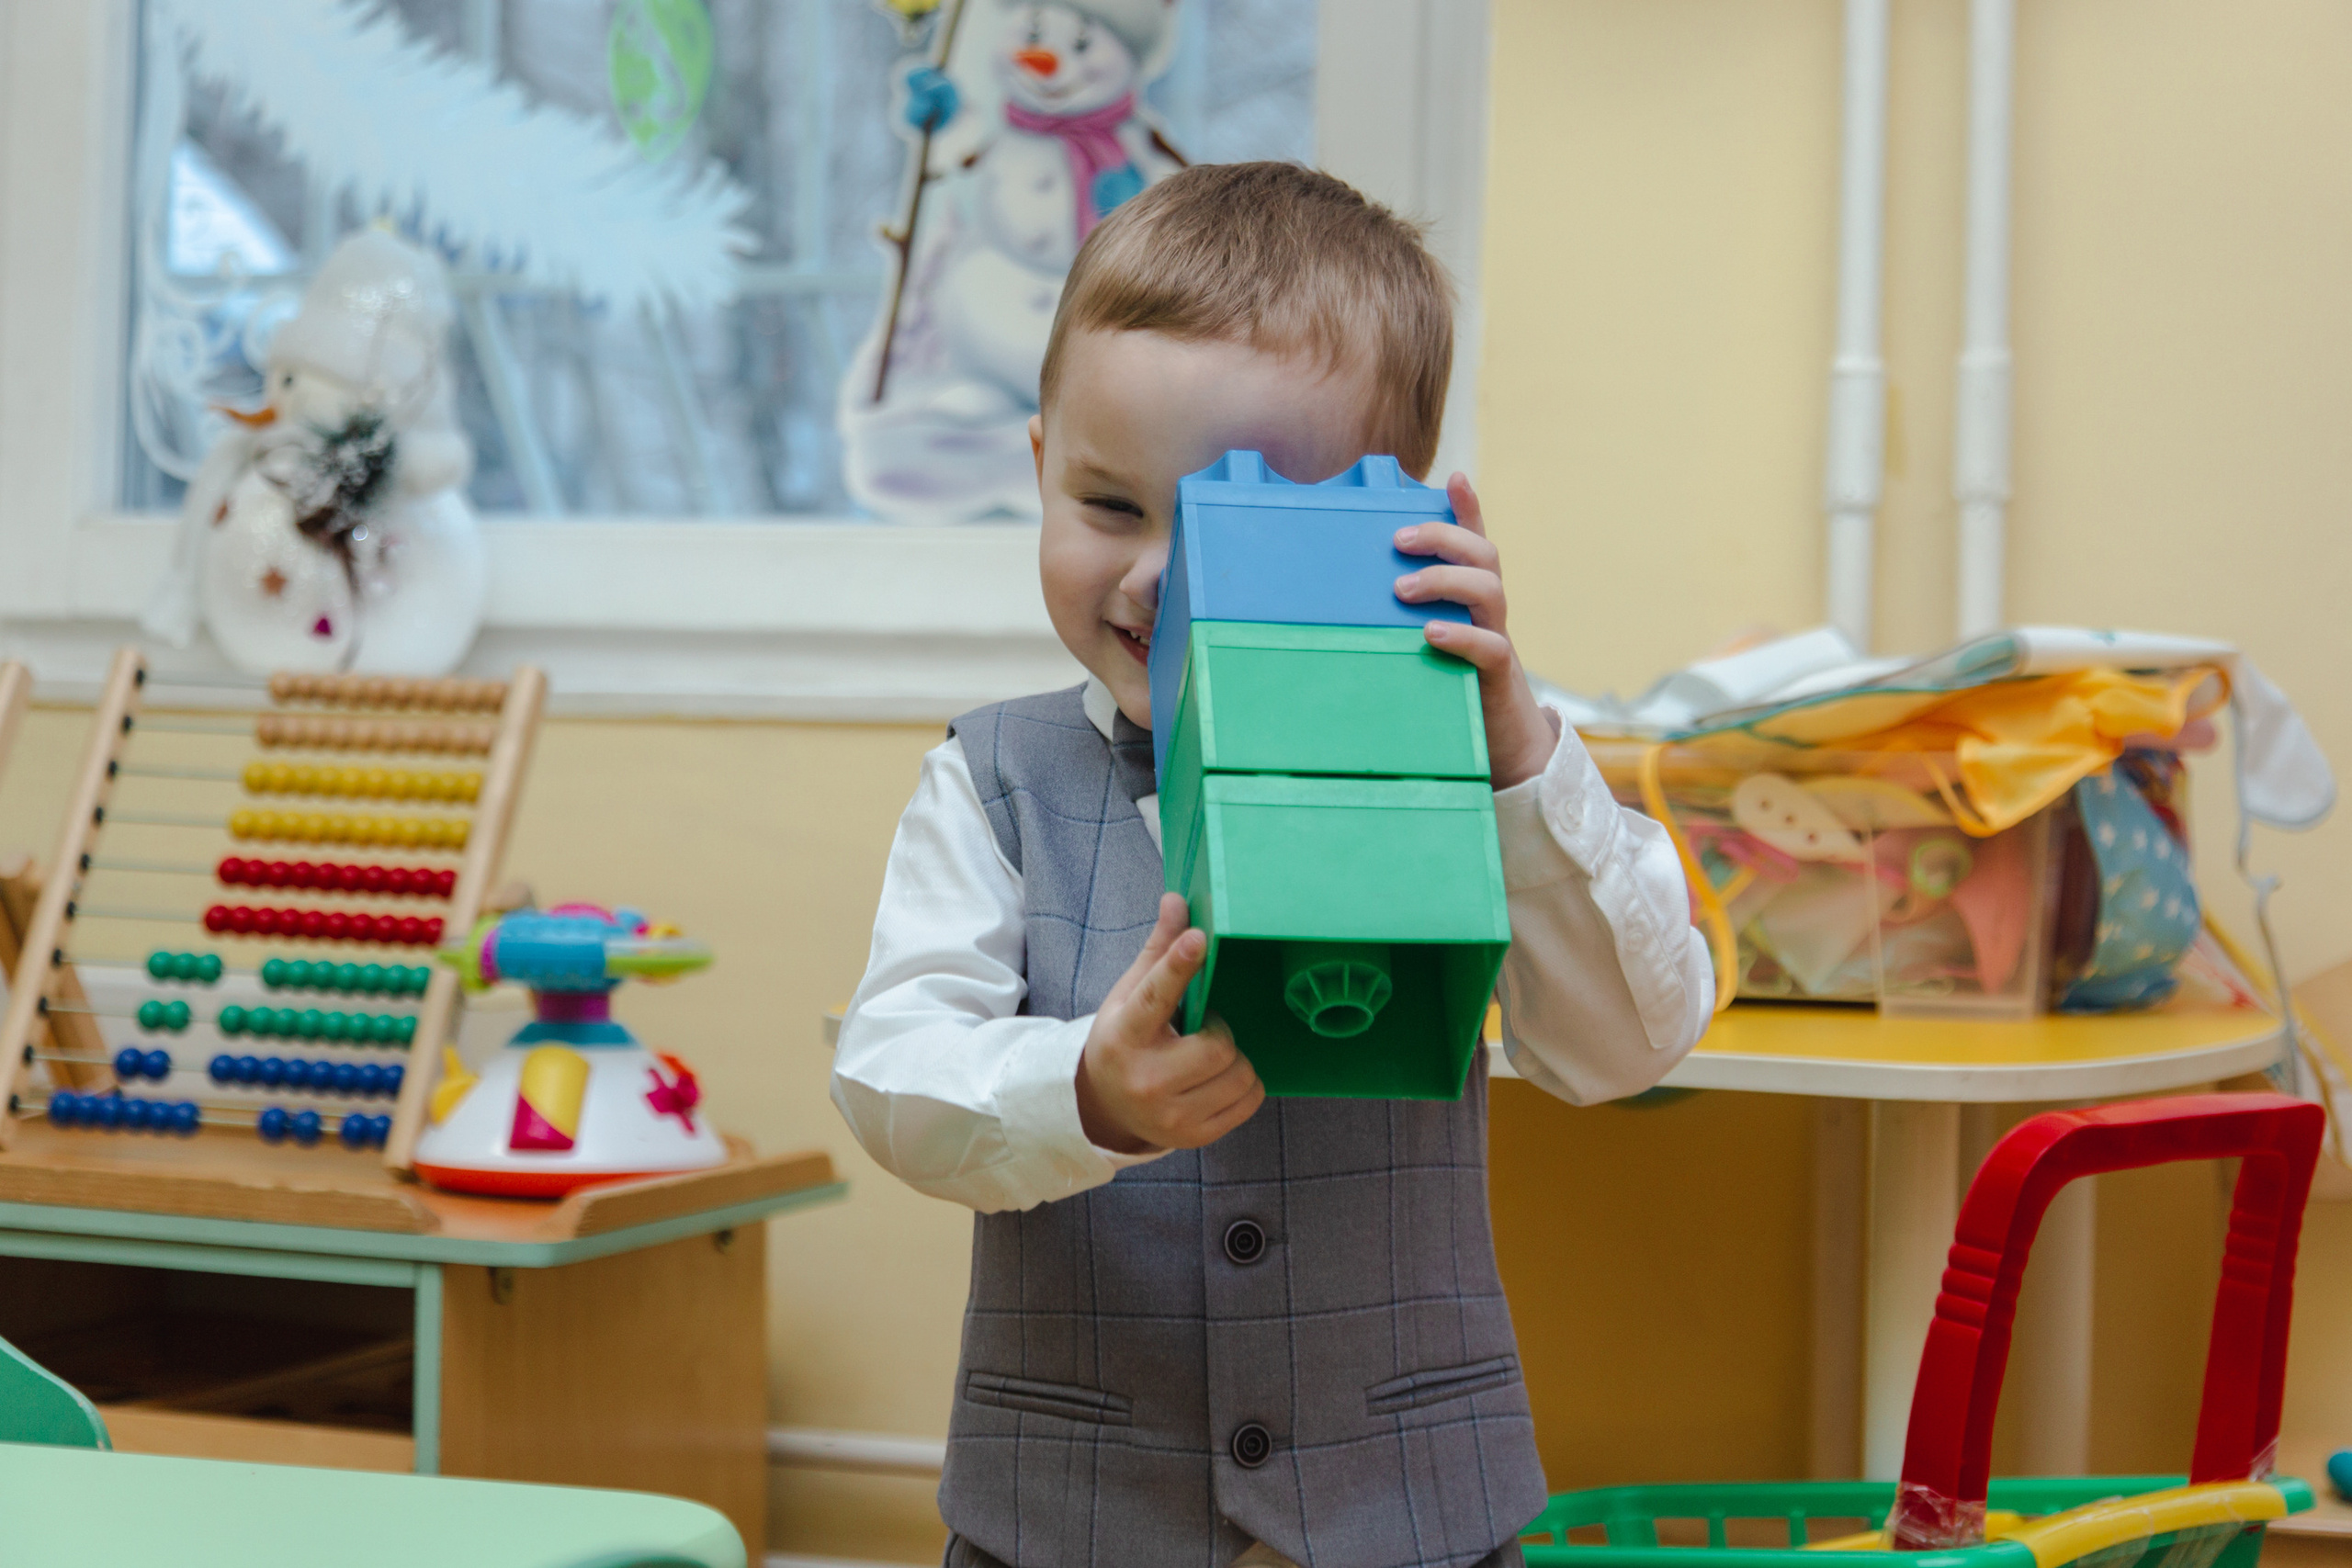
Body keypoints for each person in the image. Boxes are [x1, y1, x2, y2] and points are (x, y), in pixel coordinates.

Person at [833, 162, 1713, 1568]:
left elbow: (1626, 1043)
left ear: (1390, 522)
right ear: (1040, 463)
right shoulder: (992, 783)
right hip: (1069, 1521)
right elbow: (892, 1076)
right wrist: (1083, 1092)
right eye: (1109, 506)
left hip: (1403, 1516)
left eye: (1232, 529)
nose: (1152, 582)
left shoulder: (1476, 760)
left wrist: (1514, 763)